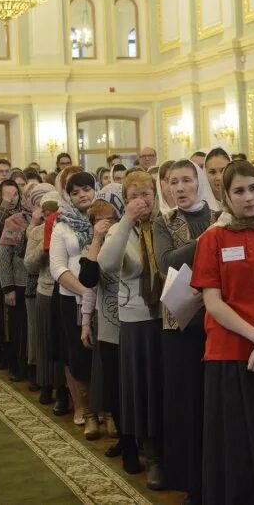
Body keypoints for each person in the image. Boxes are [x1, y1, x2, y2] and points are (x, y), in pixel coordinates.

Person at [190, 160, 254, 504]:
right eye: (239, 191)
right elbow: (213, 302)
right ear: (226, 195)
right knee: (234, 448)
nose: (249, 197)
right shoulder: (213, 239)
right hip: (229, 354)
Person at [152, 159, 219, 503]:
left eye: (186, 181)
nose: (179, 188)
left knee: (215, 406)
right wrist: (206, 239)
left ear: (199, 182)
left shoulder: (220, 216)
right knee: (187, 407)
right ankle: (193, 483)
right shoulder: (163, 221)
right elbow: (167, 262)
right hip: (180, 324)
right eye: (172, 182)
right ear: (164, 186)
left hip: (218, 322)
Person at [98, 170, 165, 489]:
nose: (142, 201)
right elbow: (107, 264)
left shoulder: (167, 224)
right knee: (143, 389)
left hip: (169, 317)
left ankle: (170, 450)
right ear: (126, 201)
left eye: (147, 194)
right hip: (137, 321)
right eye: (134, 196)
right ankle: (151, 454)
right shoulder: (119, 231)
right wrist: (125, 221)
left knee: (166, 388)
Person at [77, 185, 143, 473]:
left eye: (111, 217)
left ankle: (138, 444)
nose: (106, 223)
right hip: (109, 328)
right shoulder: (92, 247)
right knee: (116, 390)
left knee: (135, 388)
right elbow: (88, 282)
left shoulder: (130, 236)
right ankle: (127, 446)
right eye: (98, 219)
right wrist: (85, 321)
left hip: (135, 323)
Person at [49, 172, 98, 439]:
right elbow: (57, 267)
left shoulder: (105, 220)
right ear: (69, 196)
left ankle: (105, 408)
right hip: (72, 299)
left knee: (101, 355)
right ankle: (84, 408)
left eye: (87, 189)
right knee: (77, 354)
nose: (83, 195)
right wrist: (84, 291)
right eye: (76, 192)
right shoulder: (62, 225)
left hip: (104, 301)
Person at [24, 190, 65, 407]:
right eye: (48, 210)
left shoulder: (69, 228)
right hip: (46, 290)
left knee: (62, 342)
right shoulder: (37, 232)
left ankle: (63, 390)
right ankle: (46, 384)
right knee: (45, 340)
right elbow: (29, 266)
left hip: (65, 292)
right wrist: (44, 246)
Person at [0, 180, 27, 383]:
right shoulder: (13, 221)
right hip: (16, 282)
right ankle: (16, 366)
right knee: (16, 327)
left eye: (15, 194)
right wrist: (8, 287)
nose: (13, 198)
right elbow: (5, 257)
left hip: (36, 283)